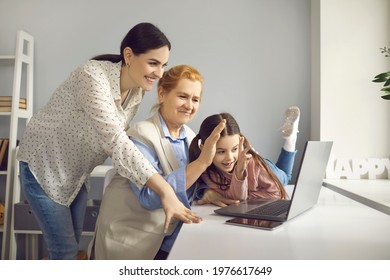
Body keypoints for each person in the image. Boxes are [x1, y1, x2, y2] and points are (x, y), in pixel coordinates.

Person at [16, 23, 200, 260]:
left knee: (72, 243)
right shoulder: (91, 76)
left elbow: (117, 143)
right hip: (43, 167)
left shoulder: (137, 91)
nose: (159, 73)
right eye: (153, 63)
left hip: (76, 174)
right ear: (129, 55)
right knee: (64, 250)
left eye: (163, 65)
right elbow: (115, 140)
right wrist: (165, 190)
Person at [90, 65, 226, 260]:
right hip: (133, 240)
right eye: (183, 96)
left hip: (167, 234)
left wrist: (207, 192)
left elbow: (188, 186)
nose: (189, 105)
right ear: (162, 93)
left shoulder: (189, 136)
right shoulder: (140, 135)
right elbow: (150, 197)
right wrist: (202, 162)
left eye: (195, 99)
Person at [189, 108, 300, 201]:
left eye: (235, 149)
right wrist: (239, 173)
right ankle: (290, 139)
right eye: (221, 151)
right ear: (204, 149)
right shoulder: (208, 172)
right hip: (255, 175)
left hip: (264, 168)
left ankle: (290, 140)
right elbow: (235, 197)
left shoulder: (254, 164)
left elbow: (277, 194)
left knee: (285, 177)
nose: (229, 158)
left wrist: (244, 195)